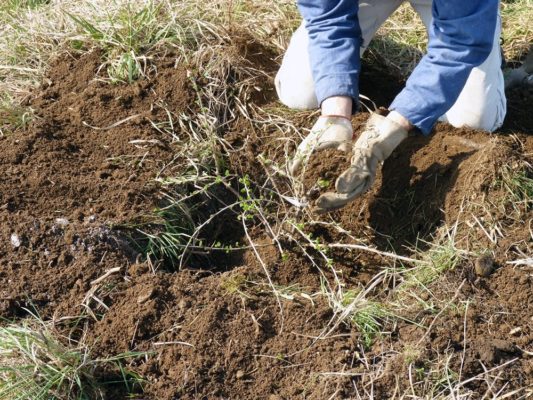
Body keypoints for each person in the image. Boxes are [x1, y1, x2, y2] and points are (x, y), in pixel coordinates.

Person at [276, 0, 507, 213]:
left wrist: (397, 122)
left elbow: (460, 41)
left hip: (458, 13)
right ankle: (352, 47)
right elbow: (327, 16)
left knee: (475, 118)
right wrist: (335, 113)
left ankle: (484, 24)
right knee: (300, 92)